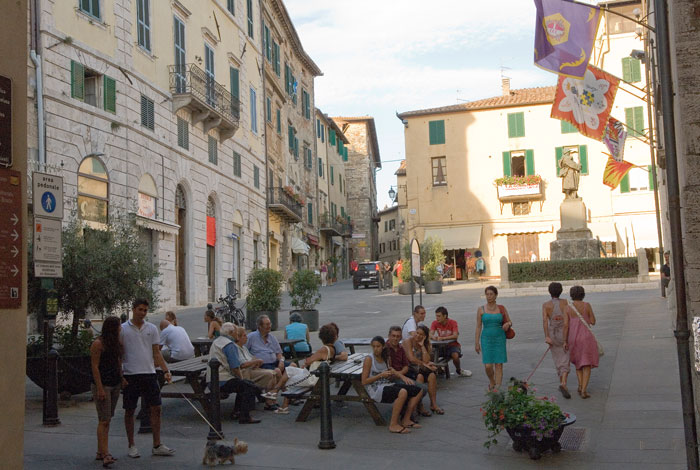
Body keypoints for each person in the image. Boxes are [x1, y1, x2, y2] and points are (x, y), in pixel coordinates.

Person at [120, 298, 175, 458]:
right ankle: (131, 445)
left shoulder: (151, 328)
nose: (143, 313)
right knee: (129, 410)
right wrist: (120, 374)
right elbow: (119, 353)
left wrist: (165, 370)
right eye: (140, 309)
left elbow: (156, 352)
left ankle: (157, 444)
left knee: (156, 408)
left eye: (145, 310)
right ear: (133, 309)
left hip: (149, 373)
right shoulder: (123, 329)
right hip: (130, 374)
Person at [361, 336, 424, 434]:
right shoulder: (369, 359)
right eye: (373, 346)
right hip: (376, 389)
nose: (375, 349)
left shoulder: (386, 357)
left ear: (383, 347)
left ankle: (406, 419)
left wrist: (402, 377)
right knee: (402, 392)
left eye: (378, 346)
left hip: (388, 384)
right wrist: (380, 375)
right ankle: (393, 424)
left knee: (418, 390)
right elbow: (364, 381)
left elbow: (392, 371)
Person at [207, 323, 262, 424]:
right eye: (236, 332)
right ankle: (245, 416)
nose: (237, 334)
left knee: (245, 385)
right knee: (247, 386)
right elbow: (235, 367)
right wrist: (241, 379)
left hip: (212, 379)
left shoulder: (217, 341)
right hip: (222, 380)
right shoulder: (229, 345)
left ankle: (237, 411)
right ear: (231, 333)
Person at [90, 316, 124, 467]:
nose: (120, 328)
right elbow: (94, 366)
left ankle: (100, 450)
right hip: (103, 384)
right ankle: (106, 453)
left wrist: (121, 377)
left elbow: (118, 361)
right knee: (104, 420)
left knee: (107, 418)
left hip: (114, 382)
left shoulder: (116, 343)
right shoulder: (98, 344)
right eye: (118, 326)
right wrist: (99, 387)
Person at [232, 326, 283, 411]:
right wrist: (256, 361)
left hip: (252, 369)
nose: (246, 337)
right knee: (271, 374)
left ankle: (270, 400)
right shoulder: (236, 348)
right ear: (238, 337)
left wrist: (256, 361)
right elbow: (242, 365)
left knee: (274, 372)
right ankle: (269, 401)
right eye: (244, 336)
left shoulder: (243, 347)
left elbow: (251, 358)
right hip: (245, 373)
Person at [475, 286, 511, 391]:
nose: (489, 296)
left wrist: (508, 324)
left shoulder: (501, 308)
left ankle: (497, 388)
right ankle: (492, 380)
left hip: (499, 337)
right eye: (487, 294)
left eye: (491, 294)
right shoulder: (481, 309)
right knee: (488, 365)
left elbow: (509, 321)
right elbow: (478, 326)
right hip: (486, 338)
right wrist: (476, 342)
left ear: (496, 295)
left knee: (499, 364)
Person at [566, 285, 599, 399]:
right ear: (583, 294)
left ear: (571, 295)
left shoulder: (568, 308)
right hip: (586, 337)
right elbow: (593, 321)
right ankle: (584, 390)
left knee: (578, 363)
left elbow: (566, 326)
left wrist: (565, 341)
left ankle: (580, 385)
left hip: (573, 338)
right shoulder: (587, 305)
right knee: (587, 364)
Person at [402, 325, 443, 415]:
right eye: (417, 333)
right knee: (420, 376)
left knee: (432, 375)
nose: (418, 336)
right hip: (410, 368)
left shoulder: (426, 343)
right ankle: (419, 405)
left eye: (421, 334)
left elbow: (426, 360)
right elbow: (411, 358)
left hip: (421, 368)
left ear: (425, 336)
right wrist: (425, 365)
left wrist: (422, 346)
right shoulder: (408, 341)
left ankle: (433, 404)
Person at [542, 282, 571, 399]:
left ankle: (562, 382)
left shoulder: (546, 305)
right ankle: (563, 383)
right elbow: (566, 321)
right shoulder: (565, 303)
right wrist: (565, 339)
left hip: (552, 332)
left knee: (557, 357)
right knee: (565, 357)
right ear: (561, 291)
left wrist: (547, 336)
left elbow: (545, 321)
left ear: (549, 292)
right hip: (563, 332)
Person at [430, 306, 472, 377]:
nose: (437, 318)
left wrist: (443, 338)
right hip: (441, 346)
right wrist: (433, 337)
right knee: (431, 354)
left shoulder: (453, 322)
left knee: (455, 356)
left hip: (453, 345)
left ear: (445, 316)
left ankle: (459, 370)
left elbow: (455, 336)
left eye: (439, 316)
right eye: (436, 316)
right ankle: (439, 370)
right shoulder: (435, 323)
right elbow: (430, 333)